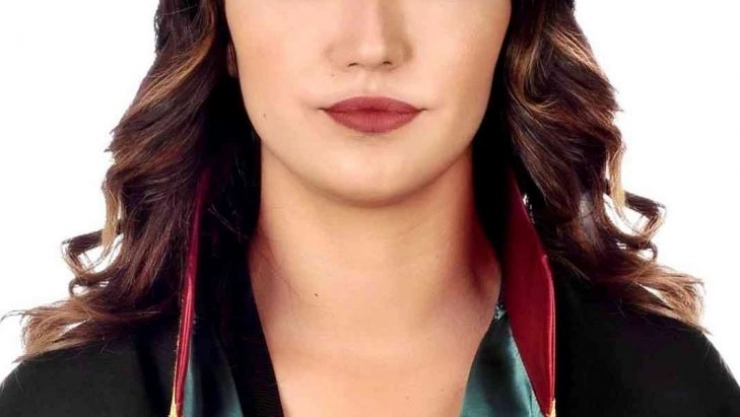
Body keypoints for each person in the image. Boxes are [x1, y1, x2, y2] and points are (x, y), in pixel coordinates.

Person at [1, 0, 739, 416]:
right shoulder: (69, 405)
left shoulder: (667, 395)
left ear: (516, 18)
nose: (372, 43)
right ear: (218, 23)